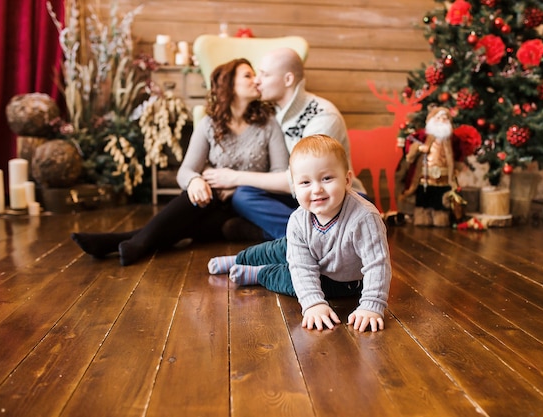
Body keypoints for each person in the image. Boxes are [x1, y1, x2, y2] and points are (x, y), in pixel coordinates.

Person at [71, 58, 289, 266]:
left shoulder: (268, 124)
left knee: (192, 221)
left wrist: (237, 186)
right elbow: (186, 170)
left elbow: (281, 173)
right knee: (199, 197)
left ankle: (128, 241)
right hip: (216, 204)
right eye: (248, 76)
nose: (257, 80)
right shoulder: (208, 124)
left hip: (251, 204)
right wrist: (194, 181)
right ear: (229, 85)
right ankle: (133, 242)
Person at [207, 135, 391, 333]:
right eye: (305, 183)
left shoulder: (364, 217)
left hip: (343, 280)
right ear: (294, 188)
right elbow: (302, 264)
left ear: (347, 180)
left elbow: (377, 264)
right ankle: (240, 259)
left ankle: (260, 273)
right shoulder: (298, 220)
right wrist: (312, 304)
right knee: (274, 250)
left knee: (289, 280)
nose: (317, 189)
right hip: (308, 246)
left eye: (327, 178)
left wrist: (371, 305)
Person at [202, 47, 366, 240]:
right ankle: (305, 235)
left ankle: (295, 238)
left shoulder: (322, 116)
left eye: (265, 74)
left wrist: (235, 178)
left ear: (288, 80)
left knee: (243, 191)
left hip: (335, 197)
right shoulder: (270, 114)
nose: (257, 80)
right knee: (244, 195)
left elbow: (303, 179)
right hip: (300, 197)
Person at [402, 106, 458, 227]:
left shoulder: (448, 141)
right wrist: (418, 148)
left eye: (445, 118)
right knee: (424, 198)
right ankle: (422, 217)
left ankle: (441, 218)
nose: (442, 121)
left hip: (442, 177)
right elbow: (412, 148)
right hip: (425, 176)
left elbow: (451, 159)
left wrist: (452, 175)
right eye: (439, 118)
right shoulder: (425, 137)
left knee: (440, 199)